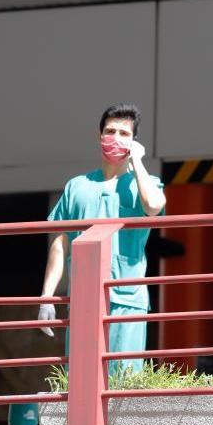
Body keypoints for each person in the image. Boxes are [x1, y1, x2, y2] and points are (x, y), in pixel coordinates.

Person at [38, 104, 166, 377]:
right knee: (82, 378)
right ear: (100, 136)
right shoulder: (77, 186)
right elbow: (60, 243)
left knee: (123, 381)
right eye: (110, 131)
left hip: (127, 300)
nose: (116, 138)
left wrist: (138, 162)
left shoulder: (145, 182)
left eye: (124, 133)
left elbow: (154, 206)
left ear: (134, 141)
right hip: (84, 296)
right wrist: (47, 296)